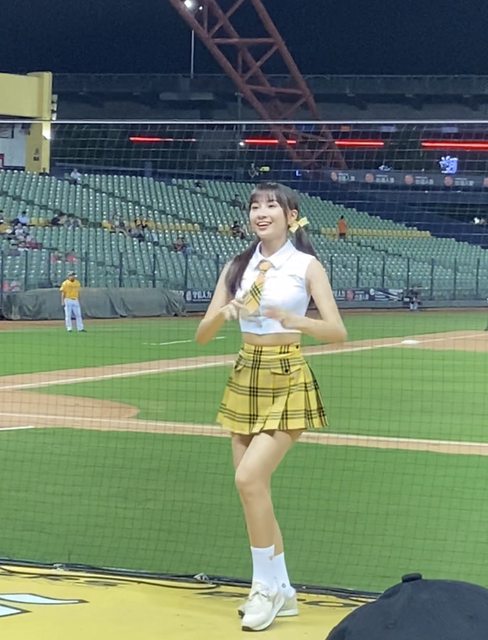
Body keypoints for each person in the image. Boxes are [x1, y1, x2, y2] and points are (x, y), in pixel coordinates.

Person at [195, 182, 346, 632]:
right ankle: (283, 590)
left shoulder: (306, 266)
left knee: (249, 478)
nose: (261, 213)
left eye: (271, 206)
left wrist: (297, 320)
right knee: (252, 490)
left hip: (287, 373)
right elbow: (202, 335)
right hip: (246, 373)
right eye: (255, 206)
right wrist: (227, 312)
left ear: (290, 215)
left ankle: (264, 589)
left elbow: (337, 331)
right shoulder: (236, 266)